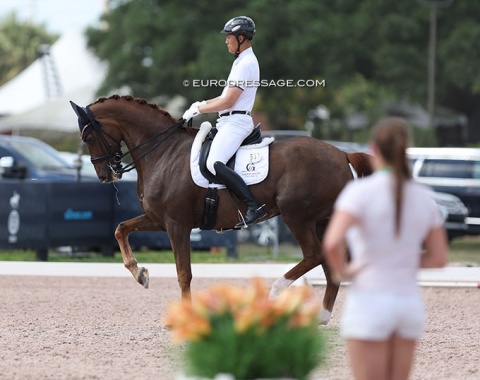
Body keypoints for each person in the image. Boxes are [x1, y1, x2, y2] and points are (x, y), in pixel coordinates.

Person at [323, 117, 448, 380]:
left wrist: (343, 271)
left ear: (374, 150)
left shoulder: (359, 193)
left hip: (369, 301)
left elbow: (332, 243)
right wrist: (404, 260)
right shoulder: (423, 195)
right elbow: (438, 257)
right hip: (407, 303)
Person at [182, 16, 266, 228]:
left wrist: (200, 109)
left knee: (214, 162)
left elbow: (229, 101)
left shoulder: (246, 63)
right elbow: (222, 99)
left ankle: (252, 206)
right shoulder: (240, 61)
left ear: (240, 38)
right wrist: (200, 103)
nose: (226, 41)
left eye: (228, 37)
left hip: (237, 123)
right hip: (228, 121)